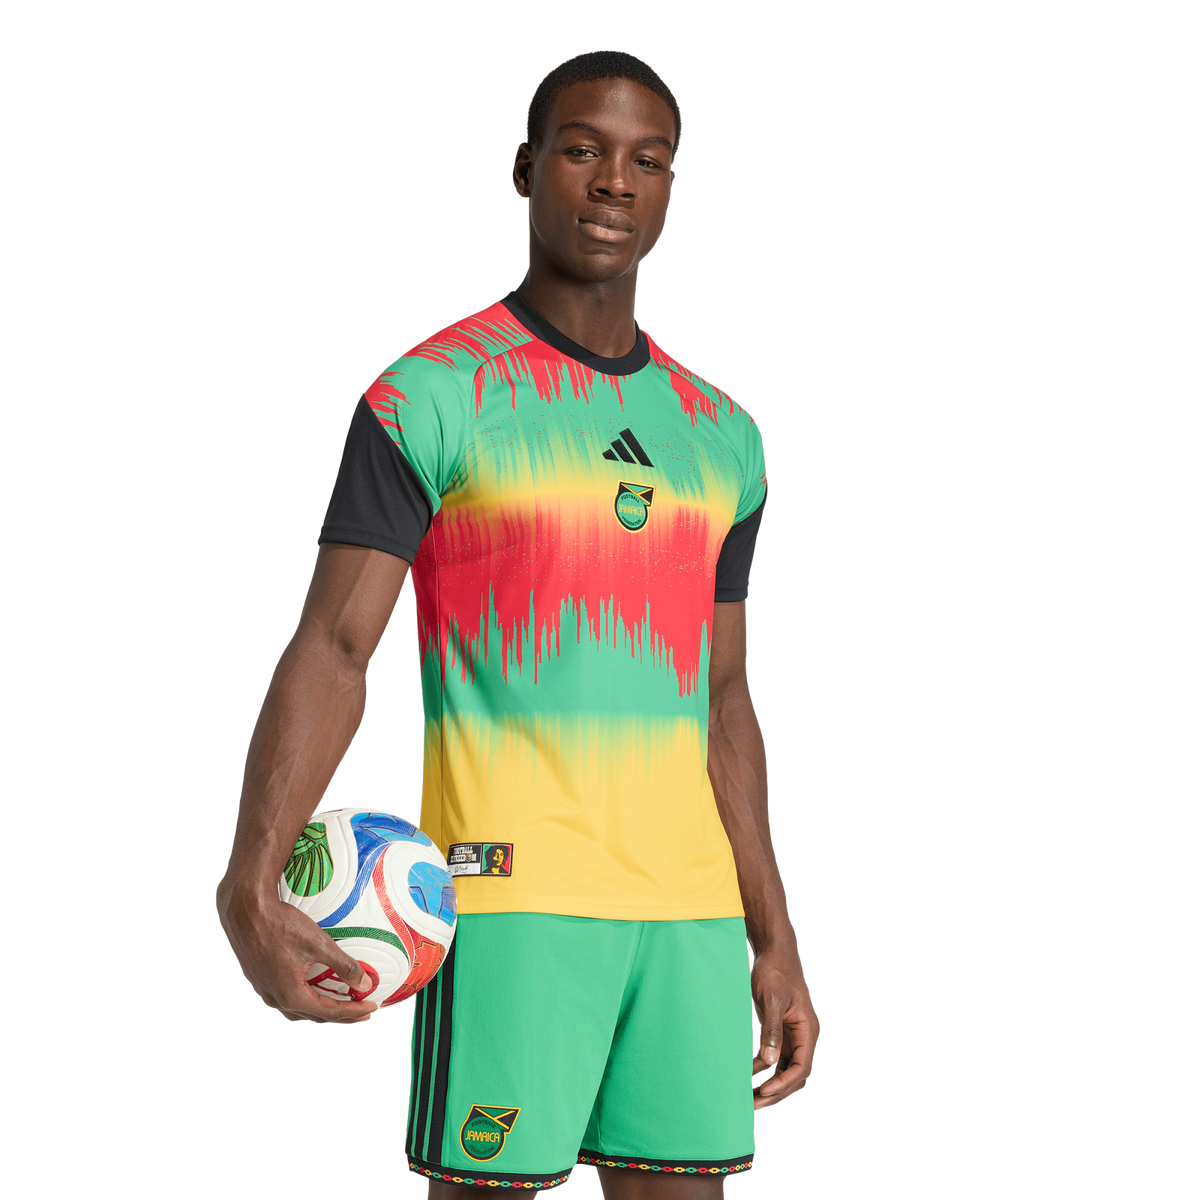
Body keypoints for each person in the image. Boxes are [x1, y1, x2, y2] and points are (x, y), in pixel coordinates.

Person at [214, 47, 820, 1198]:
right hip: (509, 901)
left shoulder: (724, 434)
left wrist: (771, 929)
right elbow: (334, 648)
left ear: (672, 184)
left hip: (689, 916)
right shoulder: (432, 394)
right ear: (525, 168)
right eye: (583, 150)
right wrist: (248, 883)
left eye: (649, 159)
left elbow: (723, 691)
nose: (615, 181)